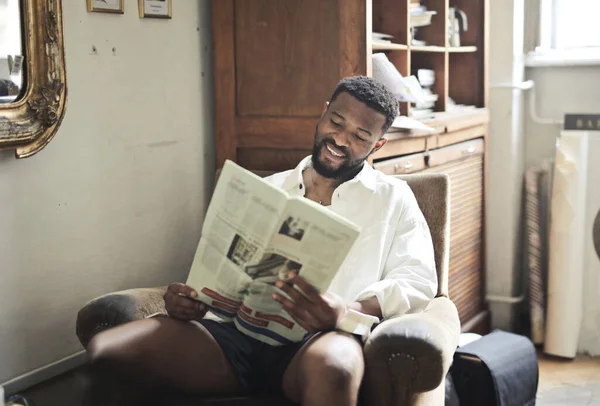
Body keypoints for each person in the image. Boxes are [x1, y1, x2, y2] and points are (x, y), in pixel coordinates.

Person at [84, 76, 437, 406]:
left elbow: (417, 280)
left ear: (379, 144)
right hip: (231, 334)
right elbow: (221, 267)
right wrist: (190, 298)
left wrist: (346, 311)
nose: (341, 140)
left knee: (337, 366)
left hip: (320, 338)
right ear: (323, 112)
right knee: (110, 351)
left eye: (361, 136)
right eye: (337, 122)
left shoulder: (394, 198)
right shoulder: (267, 191)